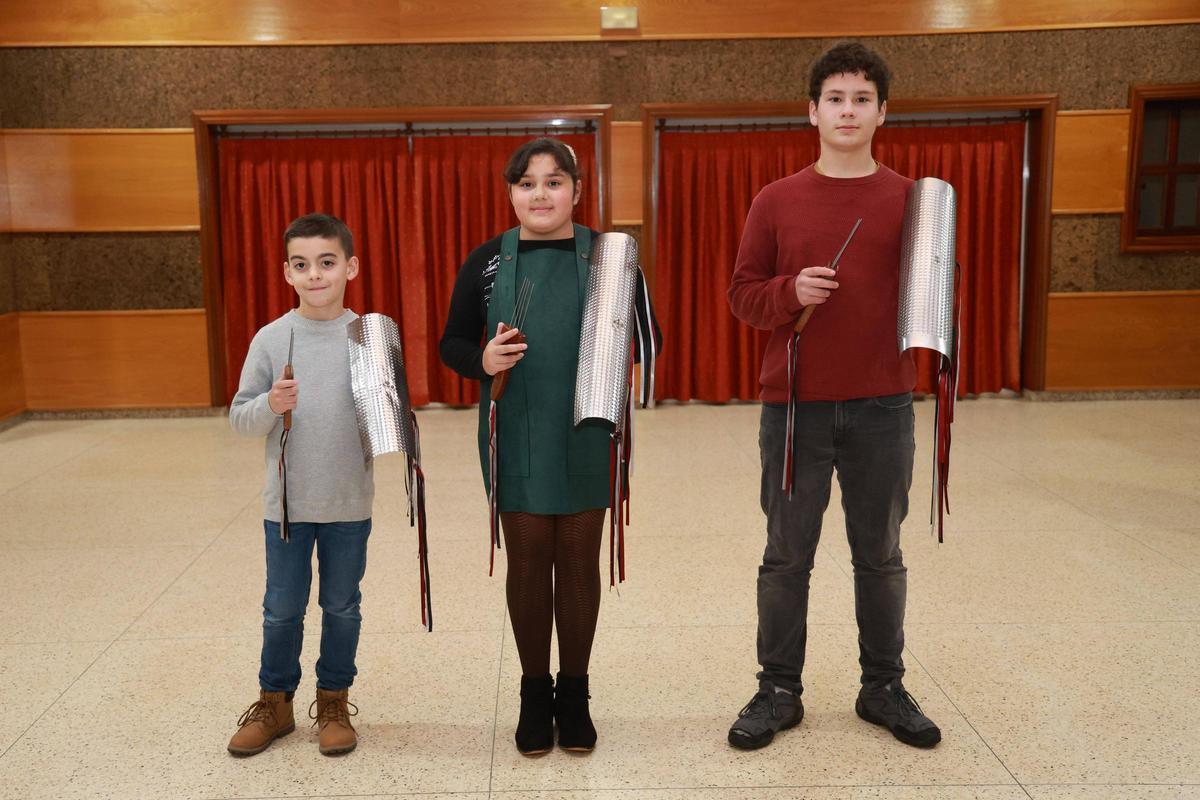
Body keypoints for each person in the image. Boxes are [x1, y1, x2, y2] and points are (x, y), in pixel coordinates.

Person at [725, 43, 941, 750]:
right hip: (795, 410)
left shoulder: (913, 199)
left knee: (880, 554)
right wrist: (791, 293)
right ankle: (777, 688)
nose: (848, 111)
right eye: (835, 98)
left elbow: (933, 298)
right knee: (787, 555)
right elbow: (743, 297)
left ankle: (883, 685)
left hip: (883, 406)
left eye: (862, 99)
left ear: (883, 112)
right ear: (811, 110)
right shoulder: (776, 199)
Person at [440, 137, 659, 756]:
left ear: (578, 192)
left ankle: (576, 692)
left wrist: (623, 356)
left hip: (589, 429)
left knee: (579, 558)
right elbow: (452, 343)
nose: (541, 194)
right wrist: (482, 360)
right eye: (528, 183)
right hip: (517, 425)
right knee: (530, 558)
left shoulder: (614, 260)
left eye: (555, 181)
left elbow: (649, 336)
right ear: (511, 193)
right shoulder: (487, 261)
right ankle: (535, 693)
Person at [227, 212, 373, 757]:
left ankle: (333, 698)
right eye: (302, 264)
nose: (316, 275)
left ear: (350, 267)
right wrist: (270, 404)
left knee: (342, 605)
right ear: (287, 272)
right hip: (286, 507)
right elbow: (240, 418)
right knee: (282, 608)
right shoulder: (271, 339)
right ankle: (275, 702)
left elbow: (388, 417)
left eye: (327, 263)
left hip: (349, 503)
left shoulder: (369, 335)